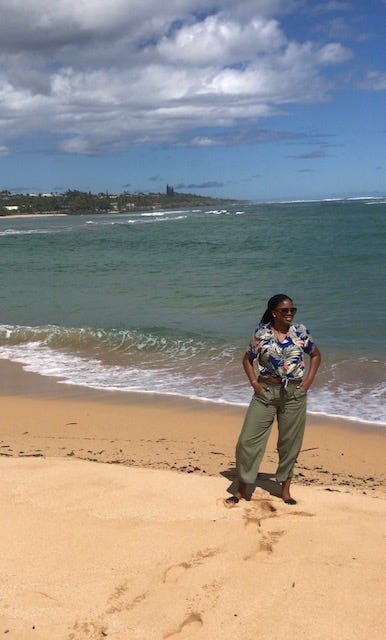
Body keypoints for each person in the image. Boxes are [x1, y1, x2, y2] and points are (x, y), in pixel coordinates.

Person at [225, 294, 321, 506]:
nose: (290, 314)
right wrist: (254, 383)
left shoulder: (300, 332)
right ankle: (242, 489)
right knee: (247, 441)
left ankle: (285, 490)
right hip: (266, 392)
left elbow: (315, 355)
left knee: (289, 443)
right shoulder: (262, 333)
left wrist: (308, 381)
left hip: (294, 394)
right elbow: (247, 359)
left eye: (292, 310)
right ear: (274, 313)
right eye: (285, 311)